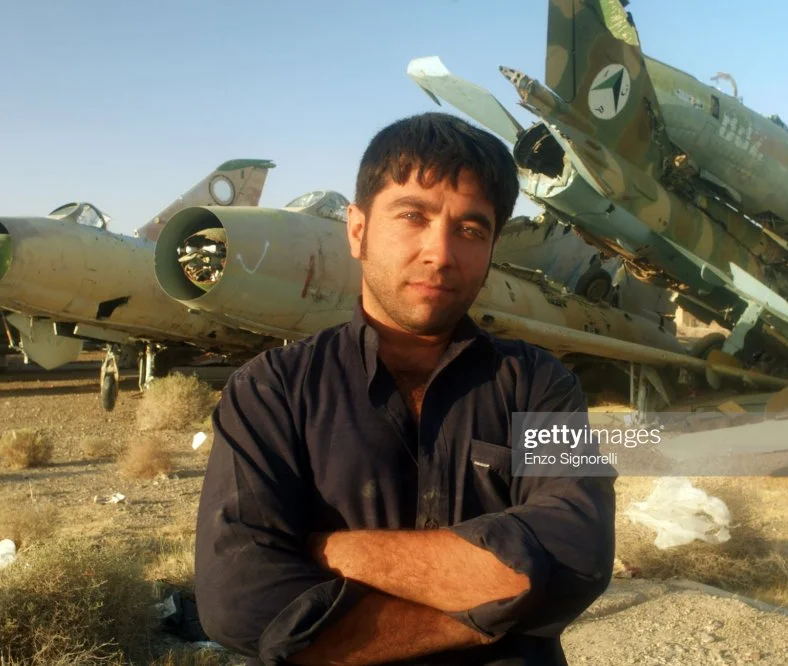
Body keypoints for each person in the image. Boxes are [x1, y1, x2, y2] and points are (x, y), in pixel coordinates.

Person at [194, 112, 616, 665]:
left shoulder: (541, 385)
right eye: (412, 215)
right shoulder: (272, 391)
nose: (440, 254)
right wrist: (487, 610)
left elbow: (578, 549)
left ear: (492, 250)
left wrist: (334, 551)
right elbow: (241, 600)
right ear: (357, 230)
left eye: (470, 229)